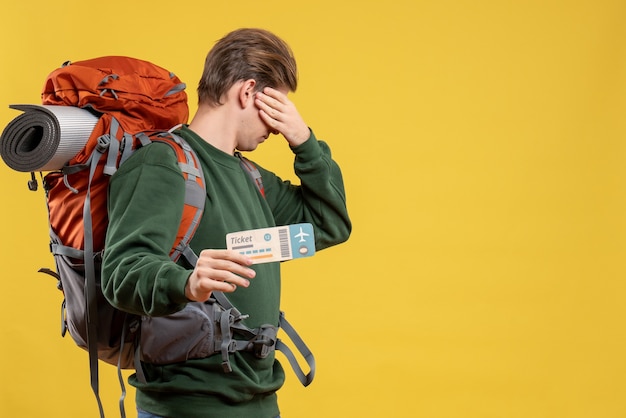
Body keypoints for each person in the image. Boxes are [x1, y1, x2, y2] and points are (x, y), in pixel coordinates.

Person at [101, 28, 351, 418]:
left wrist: (304, 141)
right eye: (278, 106)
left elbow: (330, 224)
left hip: (258, 402)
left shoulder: (251, 177)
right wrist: (187, 282)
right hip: (187, 407)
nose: (277, 125)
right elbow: (121, 272)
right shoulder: (162, 165)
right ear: (249, 92)